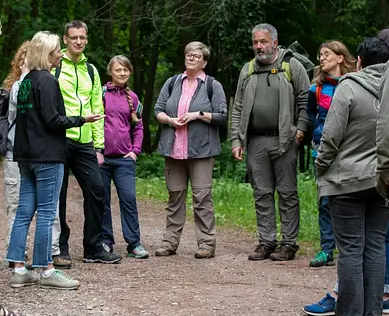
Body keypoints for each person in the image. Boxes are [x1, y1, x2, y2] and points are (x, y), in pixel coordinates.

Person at [304, 36, 389, 316]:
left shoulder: (349, 87)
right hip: (385, 181)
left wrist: (321, 165)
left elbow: (331, 136)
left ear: (358, 61)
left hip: (346, 182)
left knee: (350, 250)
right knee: (375, 249)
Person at [6, 31, 104, 289]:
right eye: (58, 50)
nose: (61, 53)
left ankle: (18, 268)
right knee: (48, 213)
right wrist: (82, 119)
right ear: (48, 55)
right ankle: (46, 270)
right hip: (47, 155)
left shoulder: (25, 82)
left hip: (25, 155)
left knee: (24, 212)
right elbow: (53, 121)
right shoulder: (48, 81)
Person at [231, 23, 310, 261]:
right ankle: (266, 241)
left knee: (287, 193)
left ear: (275, 42)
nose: (258, 46)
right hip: (255, 141)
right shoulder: (248, 70)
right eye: (255, 42)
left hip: (285, 140)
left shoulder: (291, 66)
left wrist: (300, 132)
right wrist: (236, 139)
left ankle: (289, 243)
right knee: (261, 193)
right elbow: (238, 107)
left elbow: (306, 102)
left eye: (263, 41)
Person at [51, 20, 122, 266]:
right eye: (74, 38)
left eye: (82, 37)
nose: (78, 41)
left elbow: (96, 109)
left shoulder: (91, 70)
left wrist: (99, 146)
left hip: (84, 143)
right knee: (57, 196)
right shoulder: (55, 67)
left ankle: (93, 247)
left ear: (87, 39)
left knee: (97, 190)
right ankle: (60, 248)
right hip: (59, 140)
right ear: (65, 40)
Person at [154, 41, 227, 259]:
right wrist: (169, 120)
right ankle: (169, 243)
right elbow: (158, 110)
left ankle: (206, 244)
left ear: (204, 61)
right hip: (174, 148)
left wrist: (198, 115)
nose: (191, 58)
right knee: (175, 197)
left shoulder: (213, 85)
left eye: (196, 56)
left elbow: (222, 116)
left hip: (201, 151)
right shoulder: (172, 82)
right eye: (188, 54)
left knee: (202, 197)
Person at [307, 41, 356, 267]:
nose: (322, 58)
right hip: (323, 149)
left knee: (350, 199)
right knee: (324, 199)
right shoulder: (315, 88)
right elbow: (311, 114)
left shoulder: (355, 83)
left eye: (327, 54)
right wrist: (317, 132)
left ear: (340, 57)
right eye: (320, 55)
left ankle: (351, 249)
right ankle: (327, 249)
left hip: (350, 149)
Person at [101, 55, 148, 259]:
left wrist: (135, 151)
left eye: (125, 70)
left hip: (124, 159)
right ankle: (105, 241)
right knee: (101, 200)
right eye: (118, 70)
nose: (122, 73)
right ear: (110, 71)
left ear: (129, 72)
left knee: (128, 198)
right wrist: (95, 150)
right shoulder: (100, 94)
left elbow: (138, 127)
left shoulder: (133, 98)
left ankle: (134, 243)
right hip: (102, 158)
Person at [2, 41, 30, 258]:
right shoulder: (13, 88)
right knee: (15, 205)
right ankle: (15, 254)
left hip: (34, 156)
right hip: (13, 154)